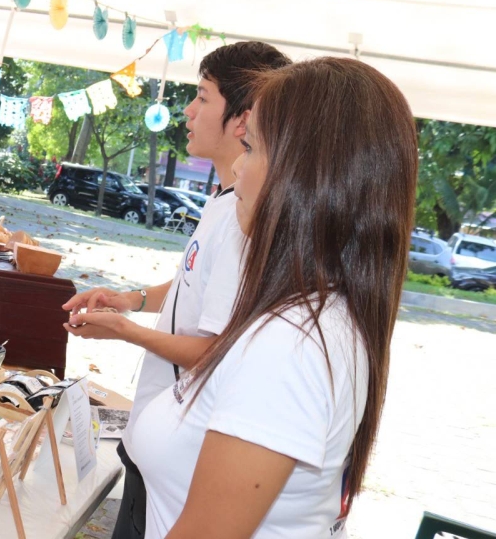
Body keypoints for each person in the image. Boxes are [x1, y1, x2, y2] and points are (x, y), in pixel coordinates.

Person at [127, 57, 417, 536]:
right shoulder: (316, 316)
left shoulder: (290, 345)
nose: (239, 167)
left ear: (307, 177)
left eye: (252, 147)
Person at [63, 42, 290, 538]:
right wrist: (132, 300)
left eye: (203, 97)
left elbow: (213, 352)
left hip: (179, 456)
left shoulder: (242, 218)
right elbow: (195, 284)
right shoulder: (225, 200)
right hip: (156, 437)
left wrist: (125, 330)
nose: (188, 110)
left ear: (241, 119)